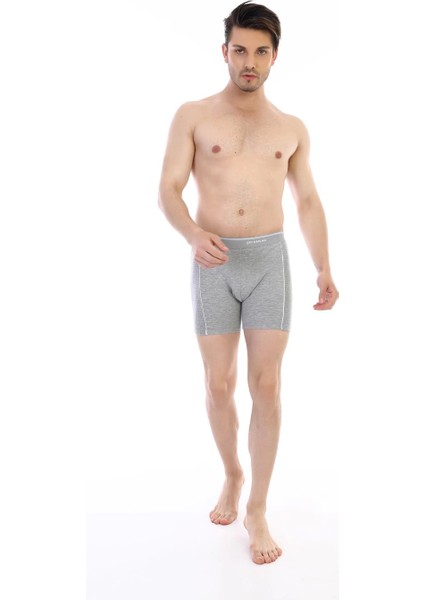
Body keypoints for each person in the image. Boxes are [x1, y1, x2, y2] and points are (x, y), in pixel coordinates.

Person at [158, 1, 339, 565]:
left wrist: (323, 266)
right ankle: (233, 475)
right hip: (212, 261)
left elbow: (307, 201)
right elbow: (168, 189)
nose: (250, 62)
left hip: (268, 263)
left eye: (261, 52)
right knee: (218, 385)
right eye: (240, 50)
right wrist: (192, 234)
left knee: (267, 385)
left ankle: (257, 507)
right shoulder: (193, 115)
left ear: (275, 56)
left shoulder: (291, 128)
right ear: (225, 51)